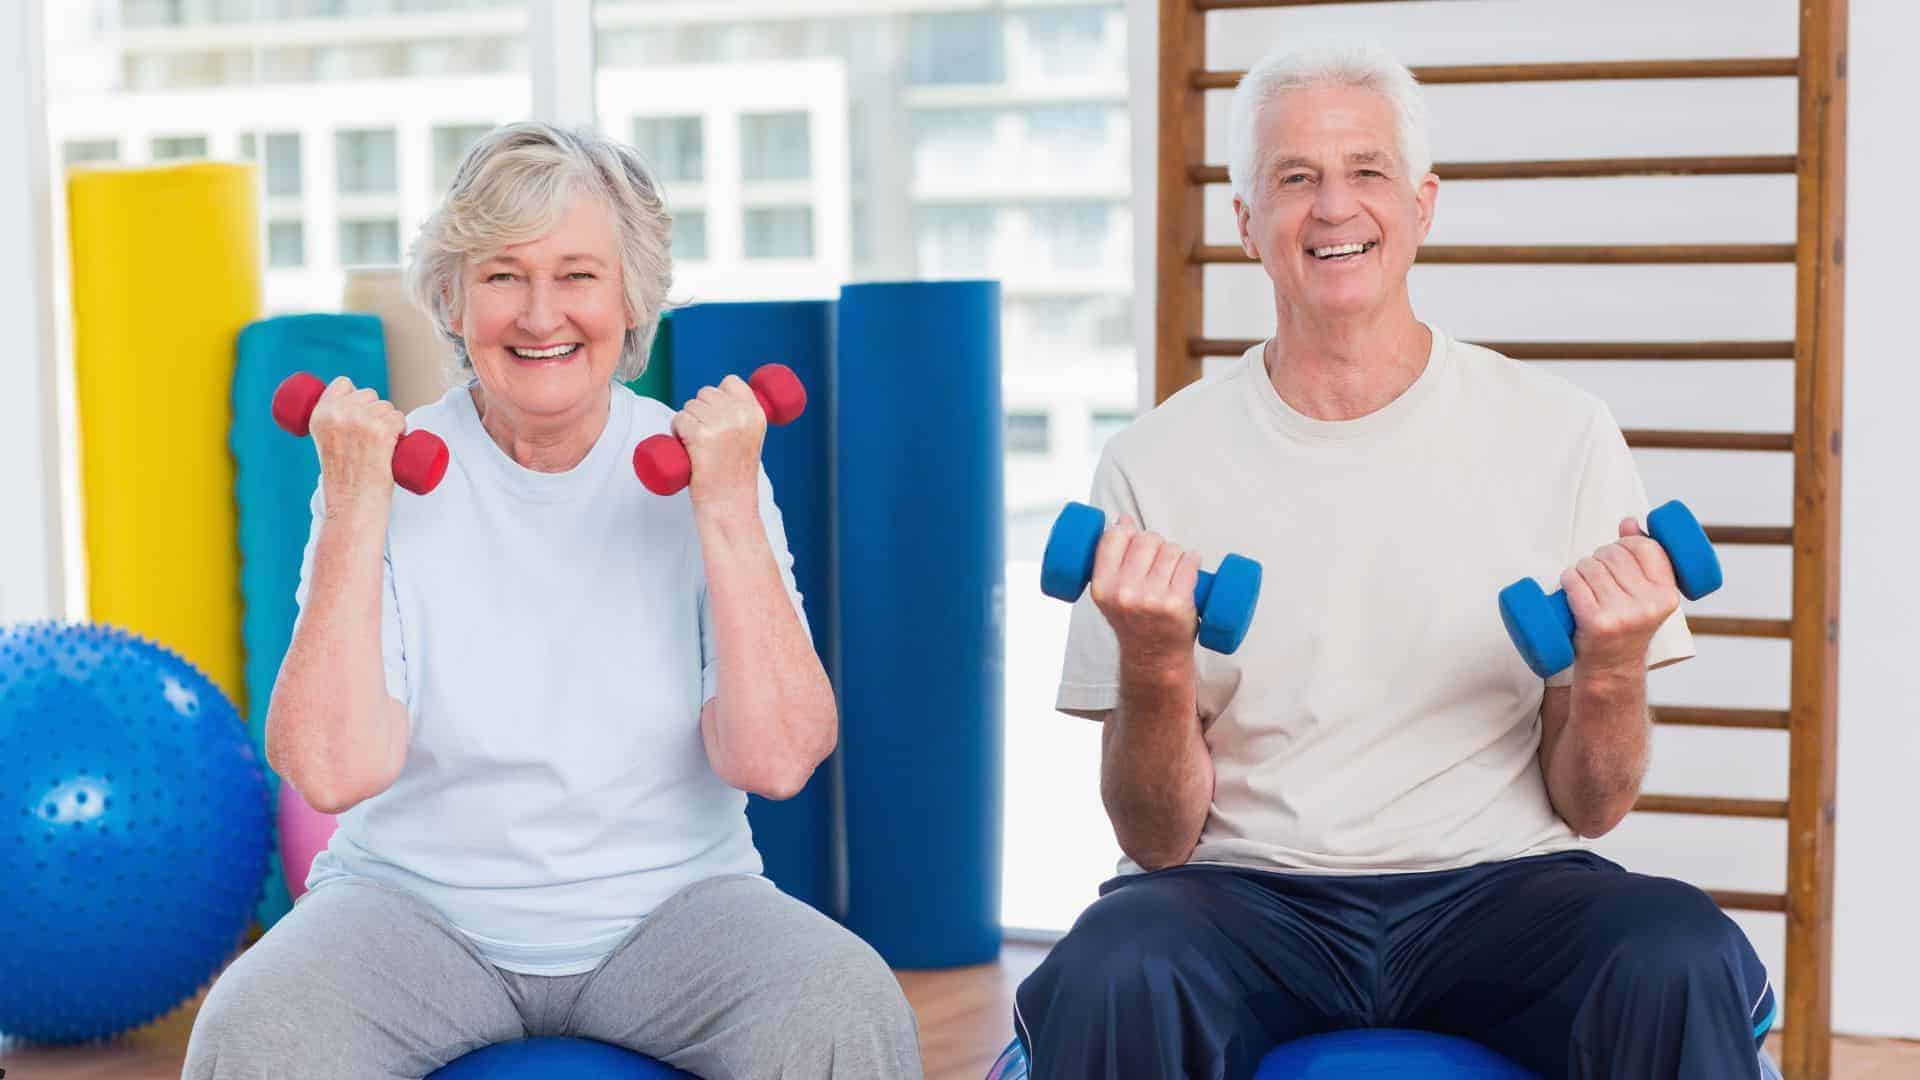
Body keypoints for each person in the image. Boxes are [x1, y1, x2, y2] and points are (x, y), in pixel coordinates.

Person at [1013, 43, 1775, 1079]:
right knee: (1114, 967)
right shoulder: (1151, 463)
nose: (1334, 209)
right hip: (1245, 895)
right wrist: (1154, 666)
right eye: (1295, 178)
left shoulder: (1563, 433)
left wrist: (1611, 669)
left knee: (1676, 950)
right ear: (1245, 224)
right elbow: (1156, 839)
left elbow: (1592, 806)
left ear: (1421, 206)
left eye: (1365, 172)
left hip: (1500, 889)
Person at [185, 122, 921, 1080]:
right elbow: (330, 769)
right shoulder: (382, 477)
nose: (541, 316)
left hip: (674, 909)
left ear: (630, 299)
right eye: (502, 275)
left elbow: (776, 760)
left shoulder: (710, 473)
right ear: (452, 298)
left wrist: (729, 505)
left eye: (577, 275)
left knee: (844, 1008)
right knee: (254, 1031)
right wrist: (358, 503)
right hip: (414, 912)